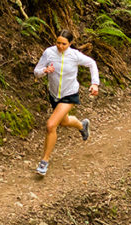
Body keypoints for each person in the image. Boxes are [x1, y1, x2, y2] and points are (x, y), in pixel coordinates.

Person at [32, 30, 98, 176]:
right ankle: (82, 125)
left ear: (70, 43)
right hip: (54, 95)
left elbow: (92, 64)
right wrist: (45, 70)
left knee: (51, 125)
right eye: (58, 43)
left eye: (64, 44)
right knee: (64, 121)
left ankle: (44, 161)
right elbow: (36, 71)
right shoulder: (49, 53)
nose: (60, 46)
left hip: (69, 94)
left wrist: (95, 84)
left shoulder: (74, 55)